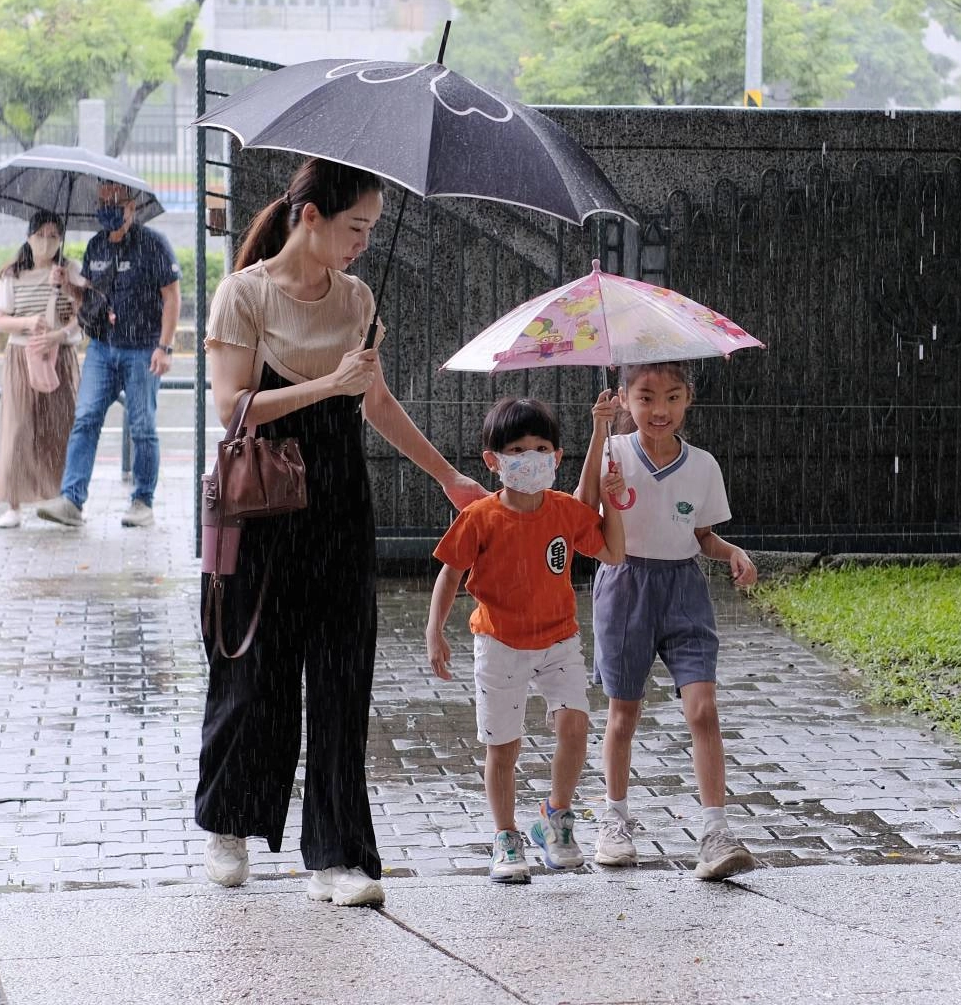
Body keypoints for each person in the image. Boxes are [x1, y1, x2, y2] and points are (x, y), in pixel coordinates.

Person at [196, 156, 485, 909]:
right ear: (311, 217)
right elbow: (229, 408)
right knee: (255, 670)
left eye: (372, 230)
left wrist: (443, 475)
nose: (363, 242)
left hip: (339, 499)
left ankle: (336, 854)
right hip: (263, 499)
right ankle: (230, 822)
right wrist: (328, 384)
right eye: (355, 226)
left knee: (340, 676)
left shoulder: (357, 298)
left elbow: (376, 401)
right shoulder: (243, 294)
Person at [424, 397, 626, 884]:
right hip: (499, 644)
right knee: (504, 747)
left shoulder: (564, 511)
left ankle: (555, 819)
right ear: (492, 460)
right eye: (516, 449)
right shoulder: (480, 516)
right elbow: (450, 575)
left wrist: (613, 502)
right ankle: (506, 836)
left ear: (557, 457)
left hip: (559, 640)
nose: (530, 458)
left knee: (574, 728)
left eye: (540, 447)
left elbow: (613, 553)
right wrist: (435, 631)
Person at [576, 364, 761, 881]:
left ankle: (715, 831)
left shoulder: (702, 465)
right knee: (623, 713)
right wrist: (598, 436)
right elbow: (579, 512)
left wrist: (732, 553)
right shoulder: (613, 453)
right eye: (647, 397)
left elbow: (701, 535)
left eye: (673, 397)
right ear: (625, 400)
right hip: (624, 584)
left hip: (685, 589)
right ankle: (613, 820)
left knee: (703, 710)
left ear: (688, 402)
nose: (660, 410)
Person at [36, 181, 180, 530]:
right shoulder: (96, 246)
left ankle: (143, 501)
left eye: (115, 202)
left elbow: (172, 297)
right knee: (85, 419)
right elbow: (90, 300)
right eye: (102, 201)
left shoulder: (154, 244)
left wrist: (165, 347)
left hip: (143, 348)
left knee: (142, 426)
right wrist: (67, 285)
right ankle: (72, 500)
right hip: (102, 347)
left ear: (132, 207)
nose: (108, 208)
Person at [0, 212, 81, 529]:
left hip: (61, 356)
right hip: (21, 355)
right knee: (18, 428)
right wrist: (28, 323)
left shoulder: (70, 270)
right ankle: (13, 504)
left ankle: (65, 499)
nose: (46, 241)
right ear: (28, 237)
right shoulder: (12, 273)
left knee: (60, 427)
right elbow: (1, 321)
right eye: (40, 234)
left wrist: (65, 289)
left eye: (54, 235)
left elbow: (82, 315)